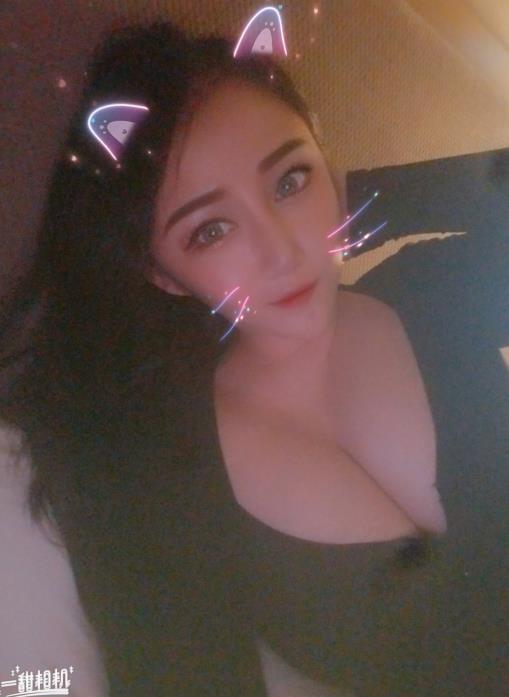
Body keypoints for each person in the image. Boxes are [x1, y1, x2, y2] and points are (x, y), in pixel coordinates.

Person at [0, 18, 506, 697]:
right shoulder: (158, 465)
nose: (281, 252)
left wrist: (351, 196)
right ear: (164, 275)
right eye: (210, 229)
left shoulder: (436, 288)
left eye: (291, 180)